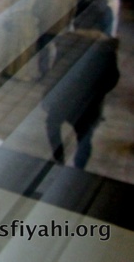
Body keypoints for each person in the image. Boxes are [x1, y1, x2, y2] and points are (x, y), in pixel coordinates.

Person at [43, 29, 119, 169]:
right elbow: (112, 78)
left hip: (64, 98)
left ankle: (59, 159)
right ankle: (78, 168)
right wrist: (97, 92)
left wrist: (48, 95)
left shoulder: (68, 43)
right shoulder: (104, 49)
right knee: (84, 138)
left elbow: (56, 72)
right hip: (88, 102)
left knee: (52, 125)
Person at [32, 0, 76, 77]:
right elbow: (73, 12)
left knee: (43, 49)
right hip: (62, 27)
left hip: (46, 26)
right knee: (56, 48)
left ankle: (43, 71)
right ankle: (53, 71)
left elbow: (36, 10)